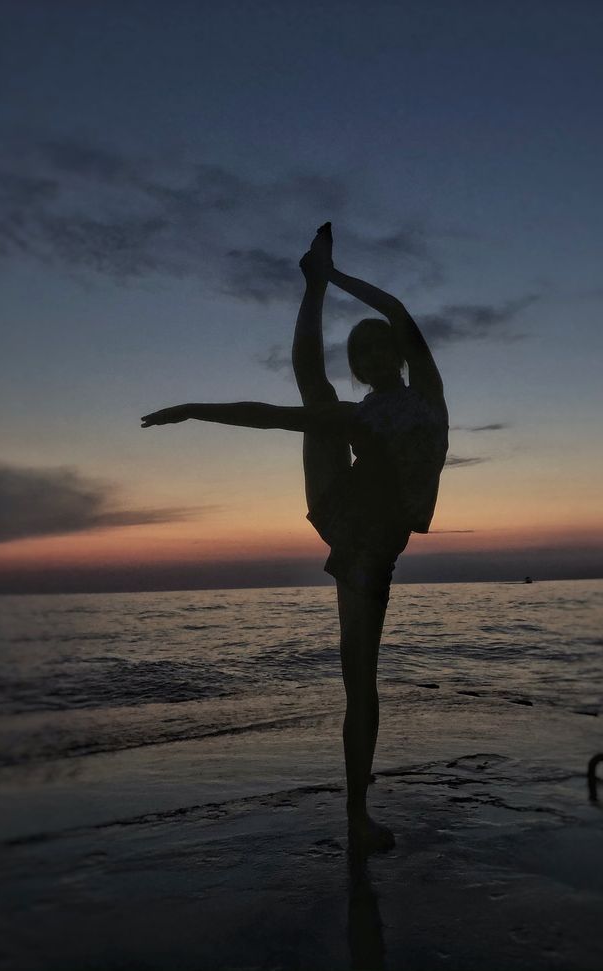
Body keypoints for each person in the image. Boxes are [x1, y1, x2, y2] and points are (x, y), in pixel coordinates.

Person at [141, 223, 448, 853]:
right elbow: (281, 418)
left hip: (375, 548)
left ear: (398, 356)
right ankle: (357, 817)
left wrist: (335, 277)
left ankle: (358, 814)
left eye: (380, 351)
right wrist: (198, 410)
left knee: (360, 682)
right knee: (314, 397)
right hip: (348, 523)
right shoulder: (359, 416)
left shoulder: (429, 398)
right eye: (361, 358)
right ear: (361, 372)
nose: (372, 362)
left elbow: (397, 311)